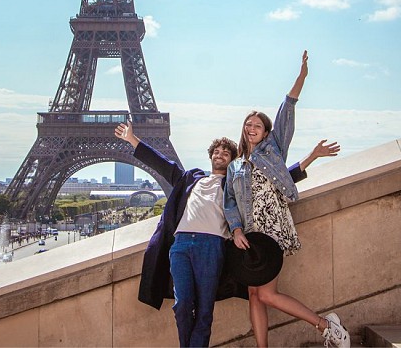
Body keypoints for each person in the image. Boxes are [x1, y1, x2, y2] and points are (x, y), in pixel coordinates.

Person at [114, 121, 338, 347]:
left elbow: (277, 179)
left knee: (203, 311)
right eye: (217, 151)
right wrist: (133, 139)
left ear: (232, 160)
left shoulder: (238, 186)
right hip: (181, 245)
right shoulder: (190, 178)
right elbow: (162, 164)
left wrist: (313, 156)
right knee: (182, 304)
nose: (220, 154)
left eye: (226, 152)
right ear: (211, 156)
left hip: (211, 246)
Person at [224, 51, 350, 348]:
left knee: (265, 294)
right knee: (255, 295)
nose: (251, 128)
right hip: (250, 234)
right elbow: (230, 202)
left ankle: (327, 327)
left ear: (267, 132)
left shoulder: (273, 149)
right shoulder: (235, 166)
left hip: (273, 230)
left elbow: (286, 108)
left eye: (257, 125)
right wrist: (237, 230)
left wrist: (302, 77)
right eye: (247, 124)